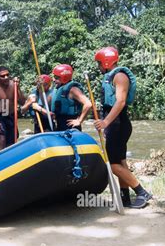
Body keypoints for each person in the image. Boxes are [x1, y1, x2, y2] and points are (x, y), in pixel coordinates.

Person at [93, 47, 152, 208]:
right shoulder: (111, 76)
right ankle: (124, 197)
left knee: (113, 164)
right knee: (120, 161)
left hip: (118, 124)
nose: (98, 66)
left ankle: (142, 192)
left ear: (106, 62)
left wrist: (106, 122)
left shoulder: (120, 76)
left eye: (99, 63)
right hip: (115, 124)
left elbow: (120, 102)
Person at [0, 66, 26, 150]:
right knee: (2, 140)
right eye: (3, 76)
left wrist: (18, 87)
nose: (6, 77)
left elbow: (22, 102)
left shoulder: (14, 85)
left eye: (7, 75)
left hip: (11, 117)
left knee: (12, 143)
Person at [51, 64, 92, 131]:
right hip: (60, 125)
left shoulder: (73, 89)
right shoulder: (58, 89)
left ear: (64, 77)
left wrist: (79, 121)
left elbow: (88, 104)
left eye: (56, 77)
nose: (53, 79)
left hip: (71, 127)